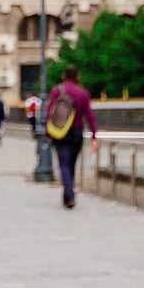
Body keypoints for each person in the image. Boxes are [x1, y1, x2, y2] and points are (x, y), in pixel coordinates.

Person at [47, 65, 99, 209]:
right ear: (78, 77)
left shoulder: (57, 90)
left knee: (64, 164)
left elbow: (49, 112)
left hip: (60, 132)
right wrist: (94, 135)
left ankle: (69, 196)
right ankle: (68, 195)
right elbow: (89, 115)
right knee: (71, 164)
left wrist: (48, 132)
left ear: (63, 75)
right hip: (77, 132)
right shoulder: (83, 93)